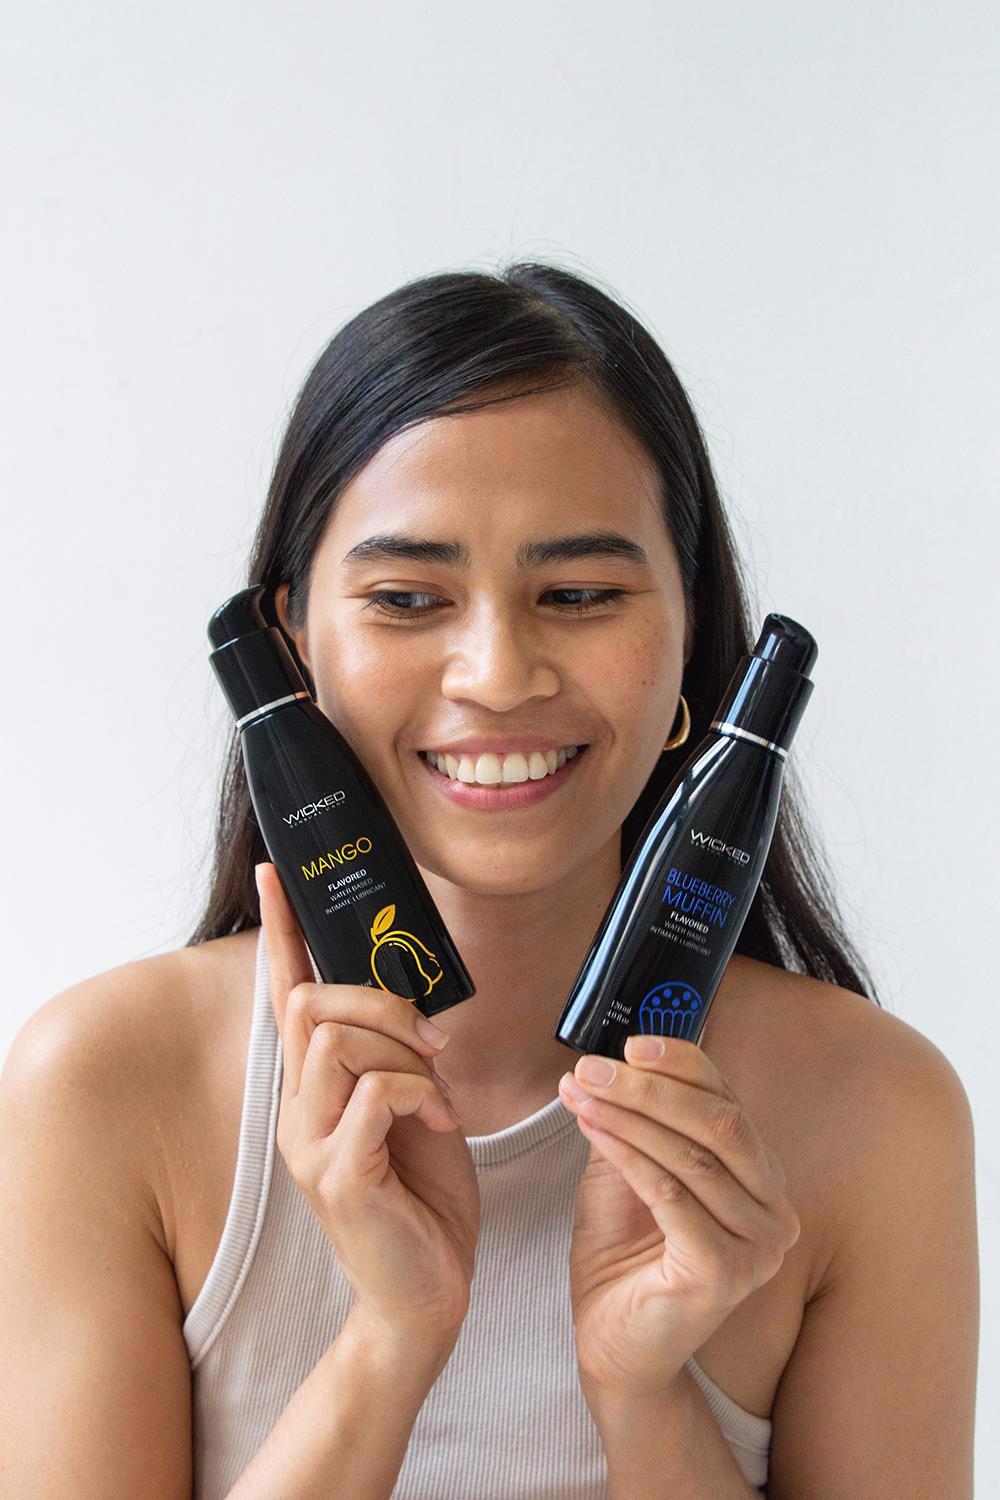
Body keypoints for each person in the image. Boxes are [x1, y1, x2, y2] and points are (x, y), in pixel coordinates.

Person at [0, 263, 978, 1498]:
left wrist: (642, 1391)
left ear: (689, 628)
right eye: (407, 598)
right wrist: (389, 1343)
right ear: (294, 638)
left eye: (579, 594)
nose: (498, 674)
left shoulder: (874, 1115)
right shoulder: (102, 1085)